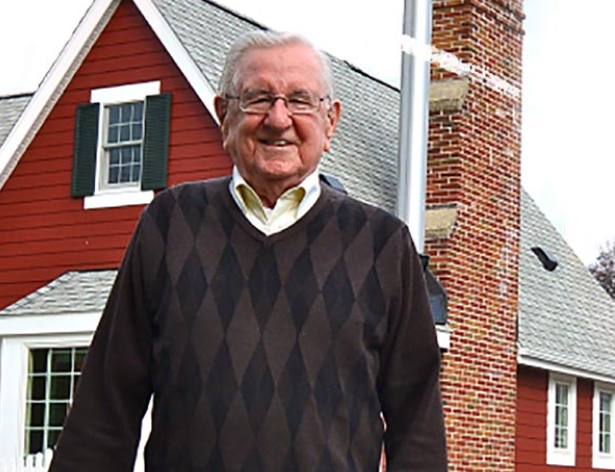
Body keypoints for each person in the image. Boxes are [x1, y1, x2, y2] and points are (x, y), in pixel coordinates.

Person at [49, 31, 447, 471]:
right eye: (258, 98)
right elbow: (104, 412)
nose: (278, 119)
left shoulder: (381, 244)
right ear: (224, 115)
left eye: (300, 100)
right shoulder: (171, 224)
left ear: (330, 121)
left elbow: (419, 429)